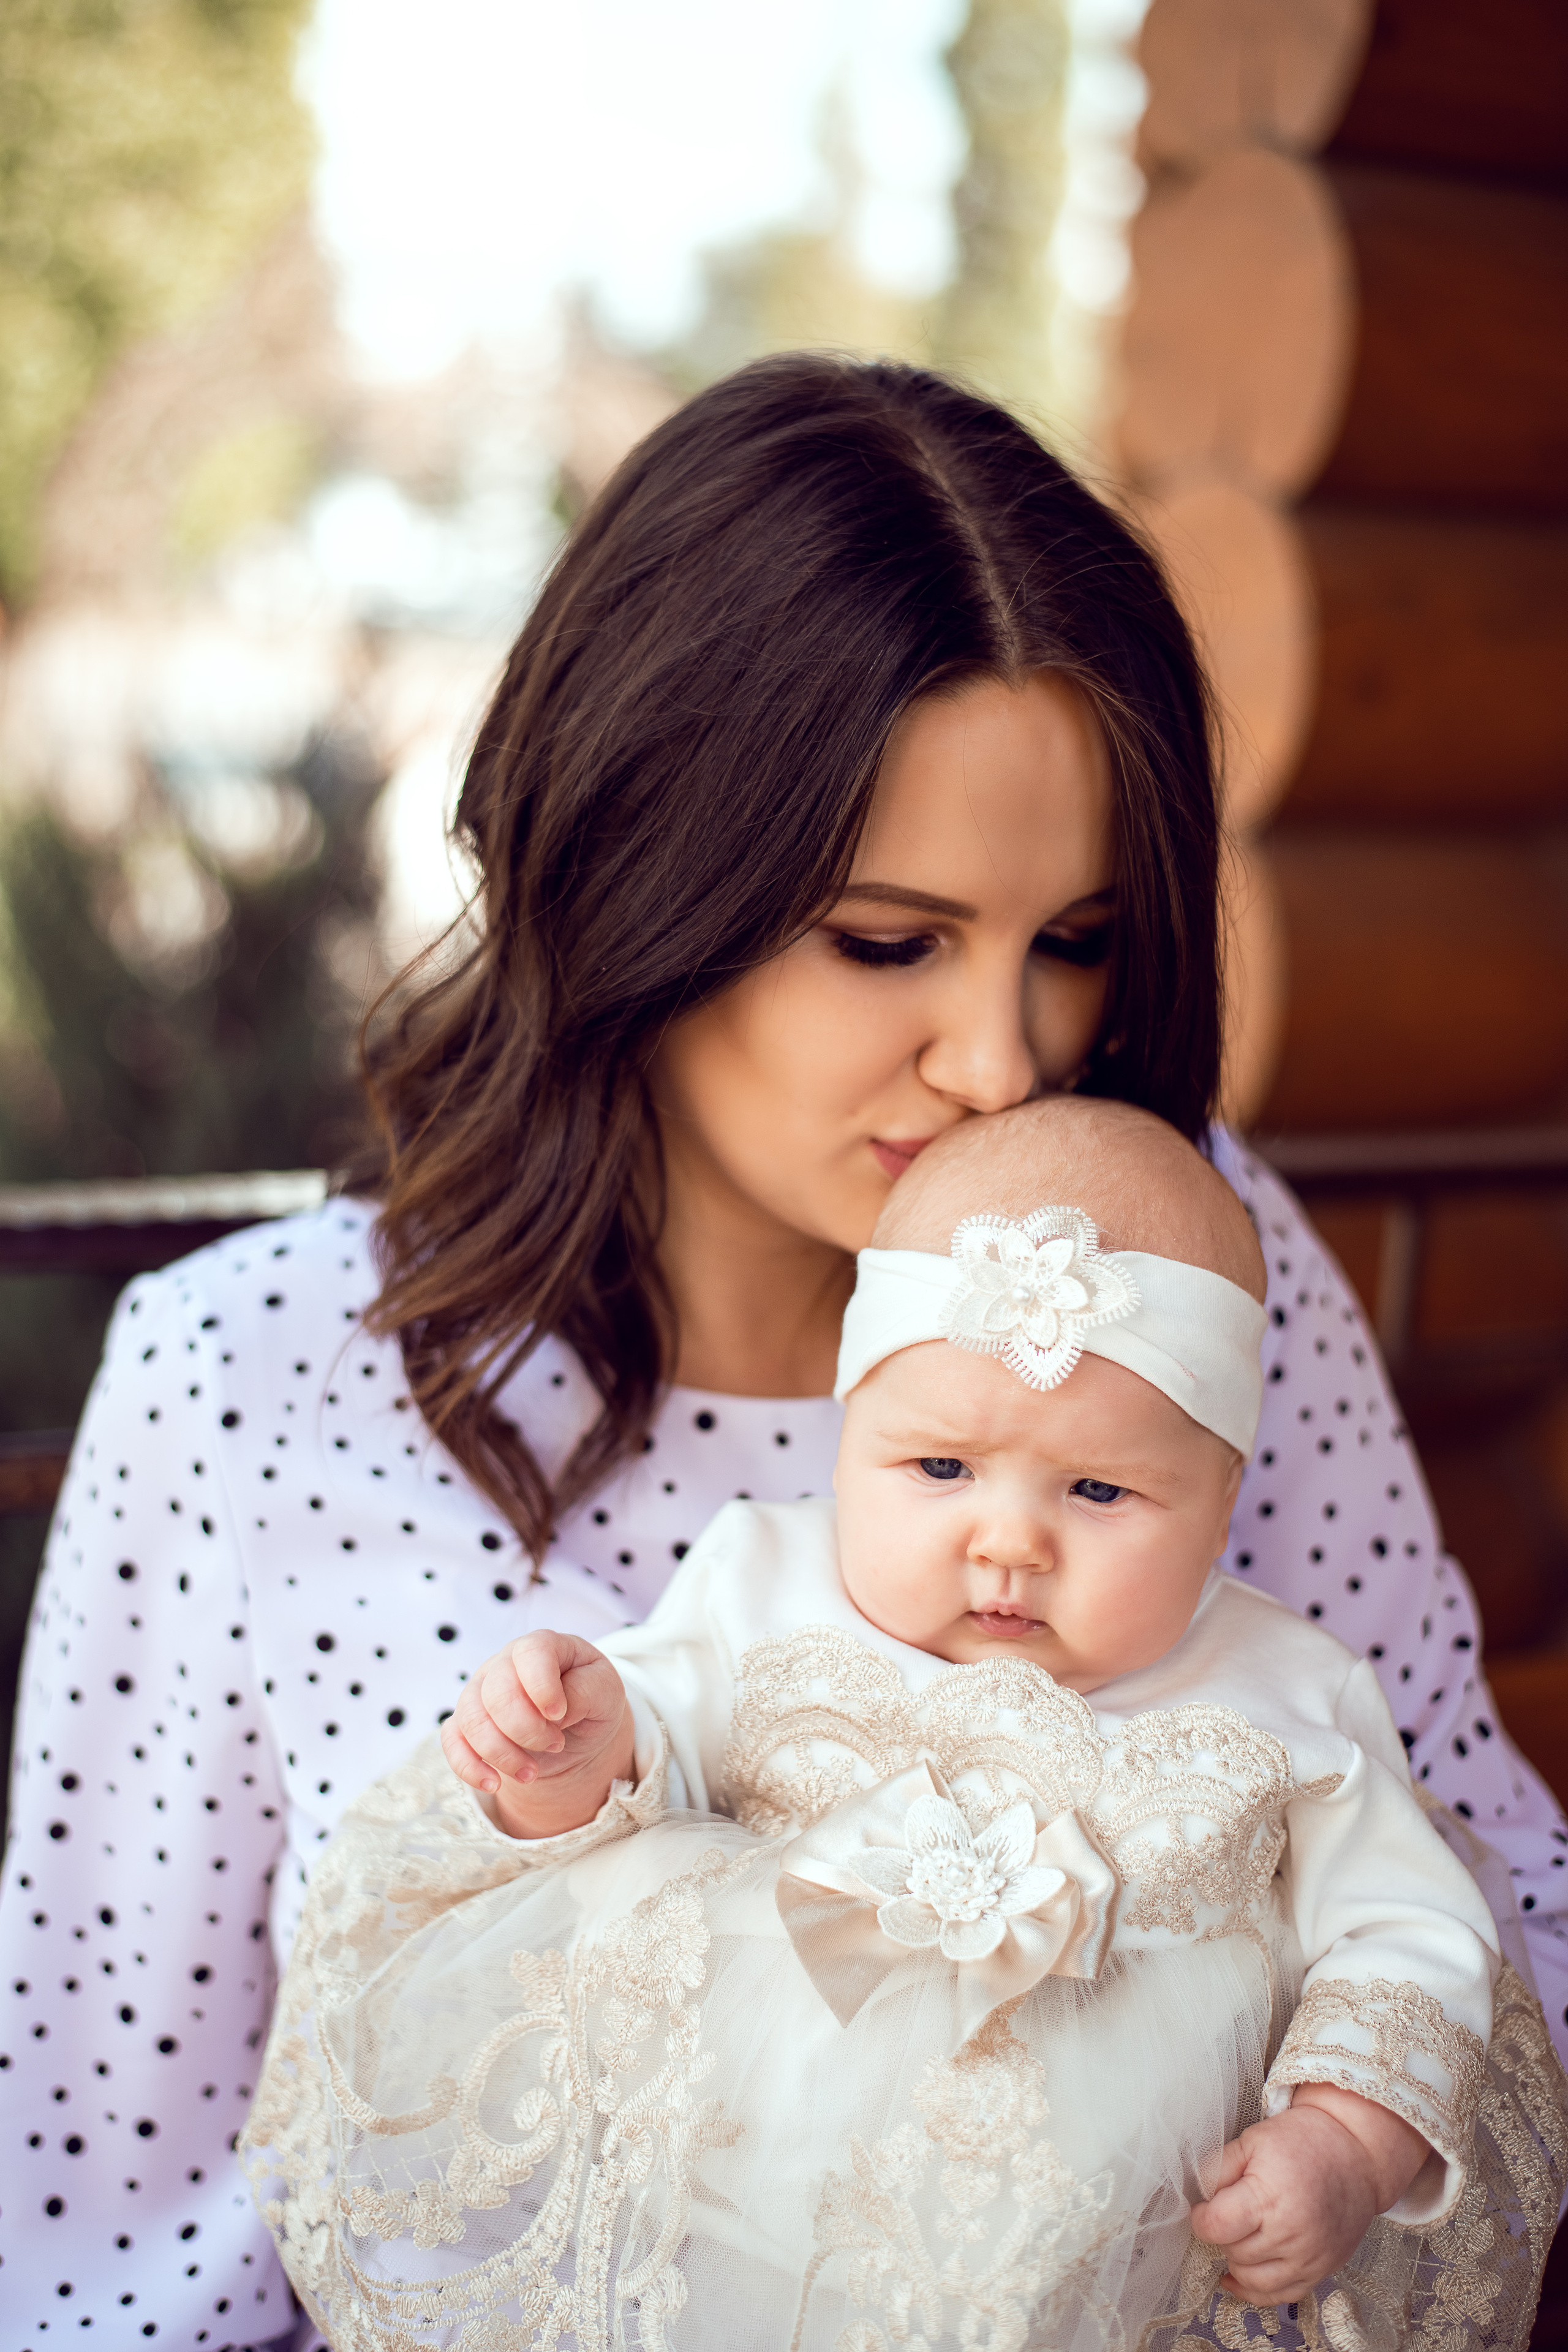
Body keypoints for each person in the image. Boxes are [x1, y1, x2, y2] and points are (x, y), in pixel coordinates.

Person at [2, 356, 1564, 2350]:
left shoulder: (1174, 1263)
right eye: (890, 941)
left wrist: (1327, 2149)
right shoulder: (243, 1381)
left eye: (1074, 940)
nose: (1004, 1060)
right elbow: (104, 2220)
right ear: (638, 873)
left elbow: (1497, 1894)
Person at [243, 1098, 1545, 2350]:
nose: (1009, 1540)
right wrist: (572, 1751)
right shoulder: (760, 1584)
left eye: (1098, 1490)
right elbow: (650, 1756)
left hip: (1119, 2279)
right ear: (846, 1433)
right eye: (939, 1467)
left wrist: (1342, 2140)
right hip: (724, 2238)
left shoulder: (1291, 1695)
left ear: (1220, 1502)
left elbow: (1410, 1933)